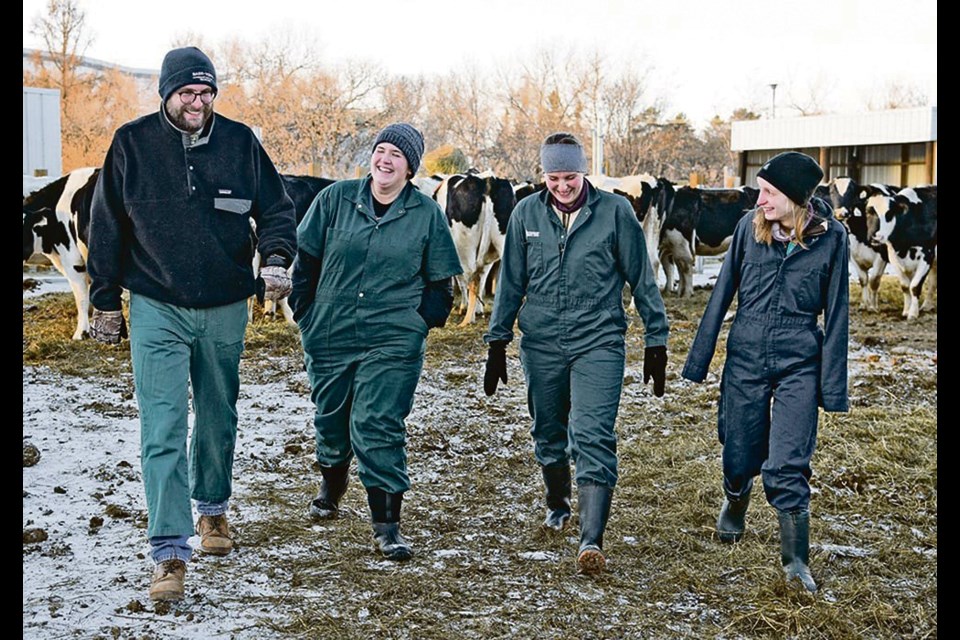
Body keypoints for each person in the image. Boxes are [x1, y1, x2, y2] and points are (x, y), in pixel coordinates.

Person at [87, 46, 297, 601]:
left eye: (206, 93)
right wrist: (105, 300)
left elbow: (277, 208)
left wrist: (275, 258)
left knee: (217, 414)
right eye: (187, 93)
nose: (197, 102)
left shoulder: (240, 142)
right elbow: (106, 223)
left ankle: (212, 511)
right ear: (166, 94)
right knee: (161, 426)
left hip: (226, 303)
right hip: (157, 301)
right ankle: (169, 552)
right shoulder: (131, 144)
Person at [483, 132, 669, 575]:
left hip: (598, 339)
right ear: (543, 175)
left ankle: (591, 539)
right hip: (542, 339)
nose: (562, 186)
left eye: (569, 176)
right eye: (553, 177)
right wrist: (497, 340)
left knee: (591, 433)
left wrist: (655, 338)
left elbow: (641, 277)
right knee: (548, 430)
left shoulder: (616, 212)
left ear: (583, 172)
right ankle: (558, 501)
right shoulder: (527, 212)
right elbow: (510, 282)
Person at [289, 123, 462, 561]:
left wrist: (418, 323)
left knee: (377, 422)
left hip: (392, 337)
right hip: (330, 330)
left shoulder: (425, 213)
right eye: (381, 150)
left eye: (396, 155)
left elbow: (442, 283)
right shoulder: (334, 200)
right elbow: (306, 260)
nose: (385, 160)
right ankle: (332, 482)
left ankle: (387, 527)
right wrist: (306, 312)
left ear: (409, 168)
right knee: (331, 417)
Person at [682, 151, 849, 593]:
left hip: (800, 360)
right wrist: (698, 362)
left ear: (795, 198)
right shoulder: (746, 230)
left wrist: (832, 389)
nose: (760, 199)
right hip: (747, 355)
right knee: (740, 452)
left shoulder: (832, 239)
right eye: (761, 189)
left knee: (788, 464)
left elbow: (837, 315)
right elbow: (720, 297)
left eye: (770, 192)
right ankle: (736, 497)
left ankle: (795, 563)